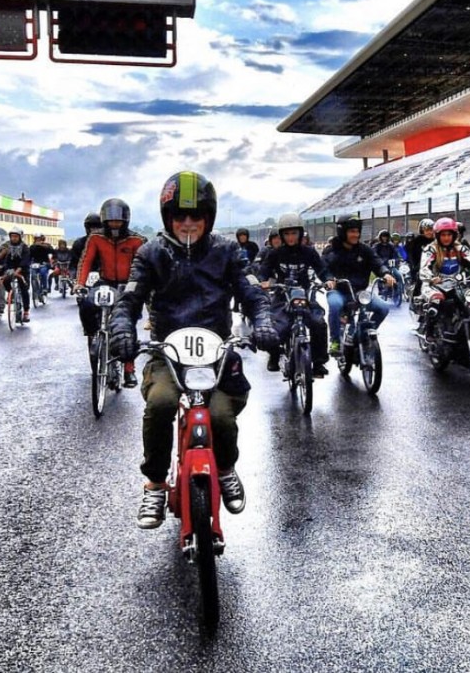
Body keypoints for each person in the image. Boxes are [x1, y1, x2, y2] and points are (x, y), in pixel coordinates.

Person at [110, 171, 278, 529]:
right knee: (160, 403)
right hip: (167, 353)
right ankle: (155, 484)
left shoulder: (227, 251)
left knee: (221, 417)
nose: (188, 223)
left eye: (196, 216)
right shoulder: (150, 253)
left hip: (218, 354)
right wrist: (122, 329)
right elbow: (128, 300)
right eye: (179, 216)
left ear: (209, 217)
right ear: (167, 217)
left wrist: (264, 321)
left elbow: (252, 293)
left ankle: (226, 468)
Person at [76, 198, 146, 387]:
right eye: (111, 221)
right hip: (104, 282)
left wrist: (139, 287)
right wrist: (79, 284)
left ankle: (129, 369)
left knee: (128, 324)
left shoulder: (137, 240)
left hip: (128, 284)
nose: (115, 224)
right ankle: (93, 334)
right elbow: (86, 261)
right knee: (86, 303)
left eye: (118, 221)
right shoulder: (95, 238)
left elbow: (143, 266)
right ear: (104, 220)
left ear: (126, 221)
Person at [258, 212, 332, 376]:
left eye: (294, 233)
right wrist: (262, 281)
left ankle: (318, 362)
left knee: (318, 323)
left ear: (300, 233)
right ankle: (274, 355)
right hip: (282, 294)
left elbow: (322, 269)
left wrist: (328, 279)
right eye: (287, 234)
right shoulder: (275, 253)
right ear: (282, 235)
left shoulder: (309, 252)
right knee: (277, 327)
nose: (291, 237)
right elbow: (264, 271)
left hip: (305, 295)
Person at [322, 216, 395, 354]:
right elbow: (324, 269)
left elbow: (377, 263)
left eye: (357, 231)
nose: (355, 235)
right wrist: (329, 280)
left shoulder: (364, 250)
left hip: (360, 293)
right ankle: (335, 341)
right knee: (335, 305)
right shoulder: (331, 251)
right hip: (339, 291)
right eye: (352, 231)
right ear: (342, 232)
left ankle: (363, 335)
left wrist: (385, 274)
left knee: (383, 308)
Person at [418, 217, 470, 339]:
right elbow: (424, 268)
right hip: (433, 285)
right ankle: (429, 333)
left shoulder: (461, 248)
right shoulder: (430, 249)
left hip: (456, 284)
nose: (446, 238)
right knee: (436, 302)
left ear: (454, 235)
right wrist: (431, 278)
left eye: (449, 235)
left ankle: (469, 329)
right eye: (443, 235)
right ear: (437, 235)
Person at [1, 227, 32, 323]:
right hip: (12, 270)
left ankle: (26, 312)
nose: (13, 238)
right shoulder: (8, 247)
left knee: (24, 289)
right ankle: (12, 294)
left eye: (16, 236)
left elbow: (25, 261)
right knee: (5, 281)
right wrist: (7, 270)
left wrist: (18, 270)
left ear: (20, 237)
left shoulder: (25, 247)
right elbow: (6, 261)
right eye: (12, 236)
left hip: (23, 271)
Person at [406, 218, 436, 297]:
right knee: (420, 280)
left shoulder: (436, 240)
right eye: (427, 230)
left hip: (435, 266)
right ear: (422, 231)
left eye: (431, 230)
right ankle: (415, 297)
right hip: (421, 266)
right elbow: (411, 254)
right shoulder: (417, 241)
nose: (429, 232)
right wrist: (415, 267)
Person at [69, 212, 101, 278]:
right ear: (87, 228)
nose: (94, 230)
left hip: (103, 277)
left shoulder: (107, 243)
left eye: (97, 227)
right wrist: (73, 276)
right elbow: (73, 264)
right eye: (92, 227)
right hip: (83, 277)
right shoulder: (78, 243)